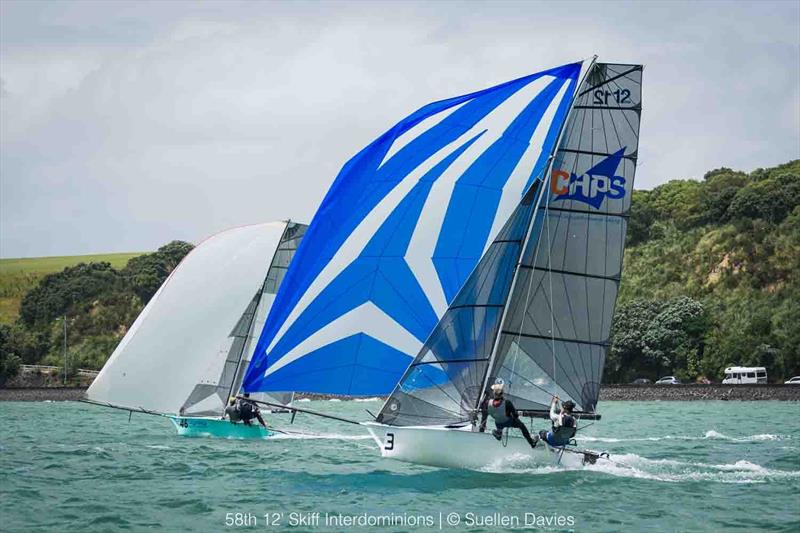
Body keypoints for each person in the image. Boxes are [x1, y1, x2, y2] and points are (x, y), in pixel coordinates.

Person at [478, 383, 538, 448]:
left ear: (493, 393)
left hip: (498, 423)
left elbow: (485, 411)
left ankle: (498, 433)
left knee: (499, 422)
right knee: (522, 426)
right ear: (502, 393)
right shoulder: (507, 402)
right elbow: (515, 415)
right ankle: (531, 443)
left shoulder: (487, 403)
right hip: (509, 421)